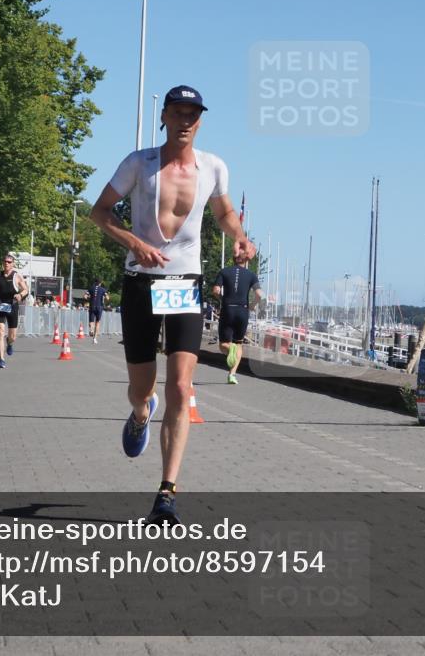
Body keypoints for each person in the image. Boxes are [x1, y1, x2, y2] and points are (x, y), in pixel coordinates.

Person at [91, 85, 255, 525]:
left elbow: (223, 214)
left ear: (200, 121)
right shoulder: (138, 164)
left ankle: (167, 492)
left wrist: (239, 237)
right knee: (143, 389)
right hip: (140, 282)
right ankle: (141, 414)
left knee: (181, 388)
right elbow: (100, 211)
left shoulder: (214, 167)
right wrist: (132, 242)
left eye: (193, 114)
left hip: (184, 284)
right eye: (178, 112)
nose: (186, 120)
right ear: (164, 116)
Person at [212, 254, 263, 384]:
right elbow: (259, 294)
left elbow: (216, 290)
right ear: (245, 261)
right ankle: (232, 374)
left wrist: (223, 300)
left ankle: (230, 349)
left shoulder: (224, 272)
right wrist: (252, 305)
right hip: (243, 311)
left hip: (228, 309)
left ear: (233, 259)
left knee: (223, 344)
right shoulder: (251, 275)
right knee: (239, 343)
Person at [0, 254, 29, 368]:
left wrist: (20, 294)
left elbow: (26, 289)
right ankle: (1, 360)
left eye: (9, 262)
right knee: (0, 331)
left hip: (13, 306)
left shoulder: (17, 276)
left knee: (12, 336)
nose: (6, 263)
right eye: (5, 261)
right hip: (1, 305)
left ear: (13, 264)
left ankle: (10, 343)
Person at [88, 279, 108, 343]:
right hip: (99, 307)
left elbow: (85, 296)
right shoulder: (103, 289)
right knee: (97, 322)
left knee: (91, 321)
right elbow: (107, 298)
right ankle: (95, 338)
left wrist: (90, 298)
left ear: (95, 282)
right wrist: (104, 298)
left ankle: (91, 330)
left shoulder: (90, 288)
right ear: (100, 283)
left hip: (92, 306)